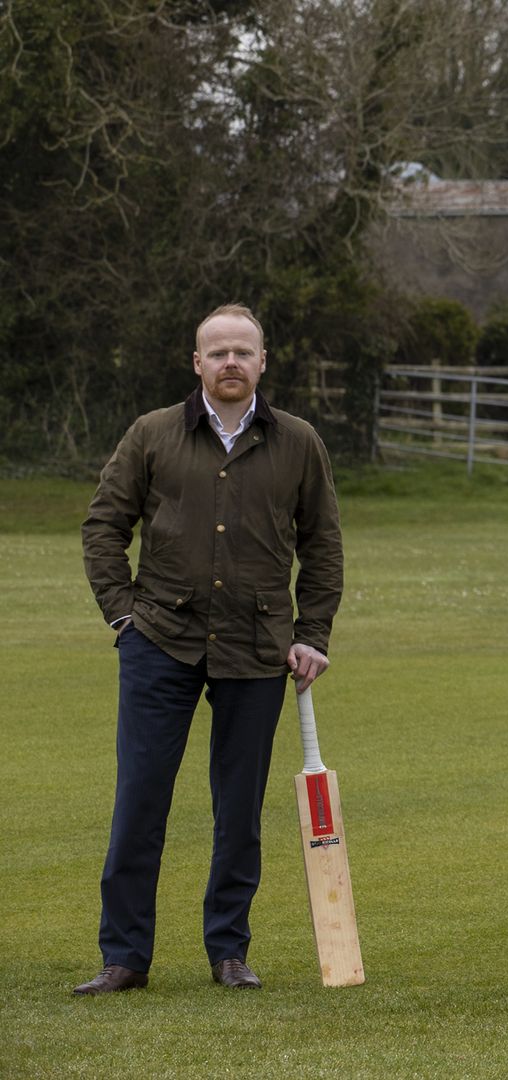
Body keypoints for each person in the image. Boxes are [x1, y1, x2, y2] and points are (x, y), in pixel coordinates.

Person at [75, 304, 343, 994]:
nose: (230, 363)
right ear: (196, 363)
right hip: (158, 642)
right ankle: (125, 956)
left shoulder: (299, 442)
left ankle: (229, 952)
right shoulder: (152, 434)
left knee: (239, 809)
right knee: (139, 803)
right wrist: (122, 614)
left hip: (258, 651)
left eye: (242, 352)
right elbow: (104, 525)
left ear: (262, 362)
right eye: (217, 352)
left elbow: (322, 547)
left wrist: (311, 633)